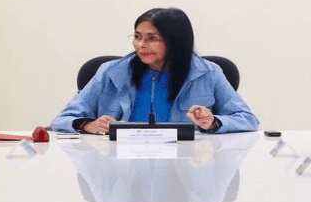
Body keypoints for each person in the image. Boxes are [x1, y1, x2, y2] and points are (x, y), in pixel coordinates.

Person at [50, 8, 258, 134]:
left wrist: (213, 122)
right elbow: (63, 119)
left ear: (175, 42)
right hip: (121, 168)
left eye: (152, 38)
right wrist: (87, 125)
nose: (140, 45)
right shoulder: (110, 72)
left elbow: (247, 119)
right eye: (137, 36)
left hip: (186, 168)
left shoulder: (209, 73)